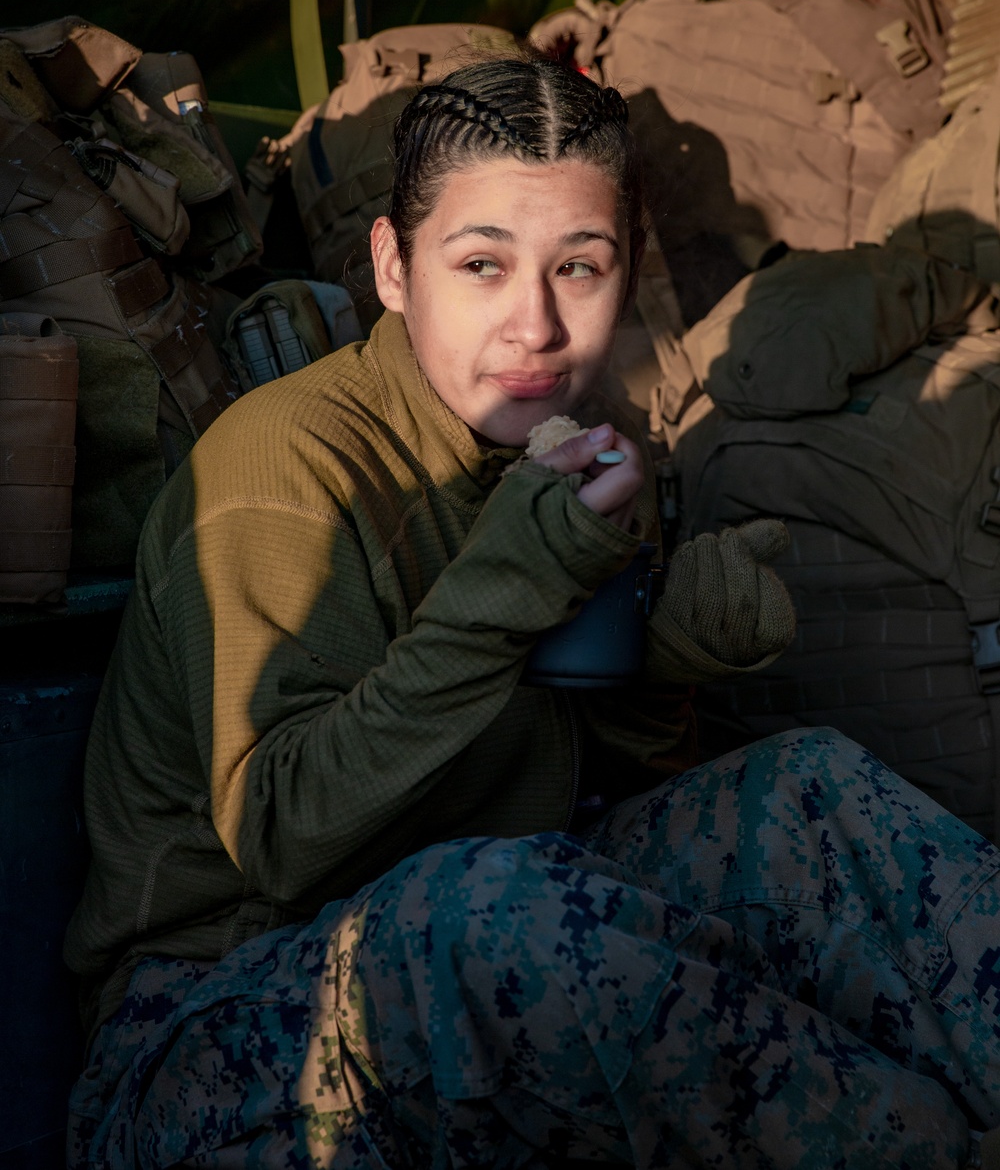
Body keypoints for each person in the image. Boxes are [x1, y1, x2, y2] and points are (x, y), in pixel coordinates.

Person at [65, 59, 1000, 1169]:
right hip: (214, 1033)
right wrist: (510, 584)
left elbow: (592, 796)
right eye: (481, 267)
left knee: (798, 795)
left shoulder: (568, 457)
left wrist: (663, 667)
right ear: (392, 268)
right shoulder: (286, 469)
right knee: (496, 910)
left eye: (580, 268)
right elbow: (283, 832)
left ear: (627, 272)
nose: (537, 325)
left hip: (470, 937)